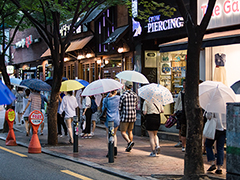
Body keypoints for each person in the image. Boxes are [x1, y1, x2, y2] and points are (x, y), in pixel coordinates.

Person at [119, 81, 138, 152]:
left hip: (125, 115)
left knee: (123, 131)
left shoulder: (123, 95)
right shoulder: (135, 95)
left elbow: (120, 107)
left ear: (125, 86)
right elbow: (136, 104)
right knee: (130, 131)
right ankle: (129, 146)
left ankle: (129, 142)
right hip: (132, 115)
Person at [102, 90, 120, 157]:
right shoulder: (118, 98)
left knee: (108, 135)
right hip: (116, 118)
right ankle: (114, 149)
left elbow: (103, 108)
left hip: (108, 119)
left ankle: (110, 150)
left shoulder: (105, 99)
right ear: (114, 92)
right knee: (114, 134)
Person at [173, 79, 186, 152]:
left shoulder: (191, 94)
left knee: (184, 128)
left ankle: (184, 143)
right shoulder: (181, 93)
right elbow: (177, 102)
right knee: (180, 127)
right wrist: (175, 111)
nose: (184, 85)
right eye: (183, 84)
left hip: (187, 113)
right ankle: (181, 142)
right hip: (181, 113)